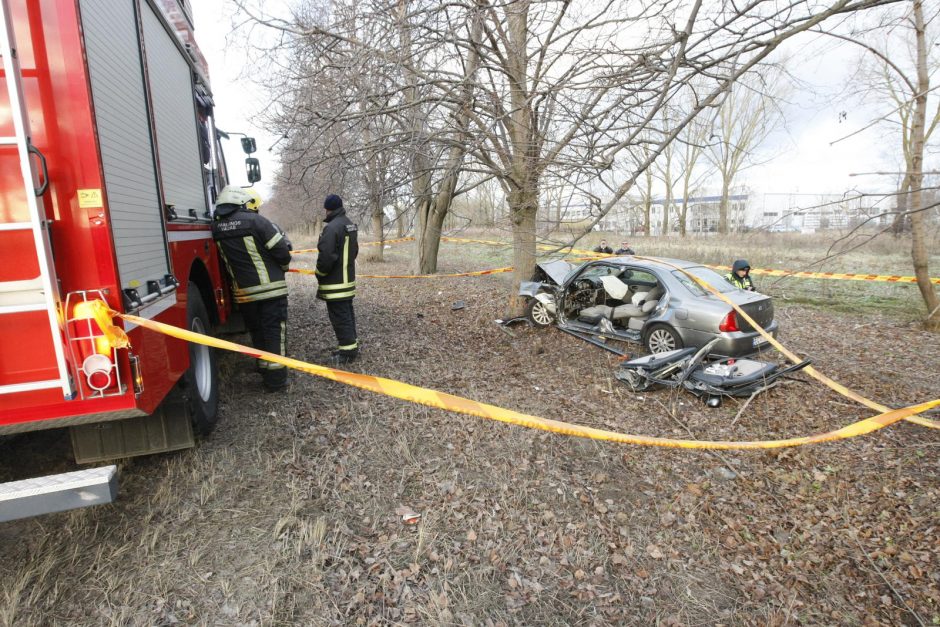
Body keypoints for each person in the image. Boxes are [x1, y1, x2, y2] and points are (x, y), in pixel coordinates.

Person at [211, 185, 292, 391]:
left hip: (244, 294)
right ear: (241, 203)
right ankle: (277, 381)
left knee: (258, 332)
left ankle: (264, 369)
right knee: (274, 332)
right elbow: (282, 251)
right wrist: (283, 267)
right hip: (271, 290)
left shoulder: (216, 228)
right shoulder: (257, 221)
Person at [316, 194, 360, 364]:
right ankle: (351, 346)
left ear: (328, 209)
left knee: (340, 317)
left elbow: (326, 257)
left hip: (335, 283)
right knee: (347, 315)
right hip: (347, 280)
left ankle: (348, 353)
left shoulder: (331, 228)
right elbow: (354, 251)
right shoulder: (349, 224)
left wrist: (319, 273)